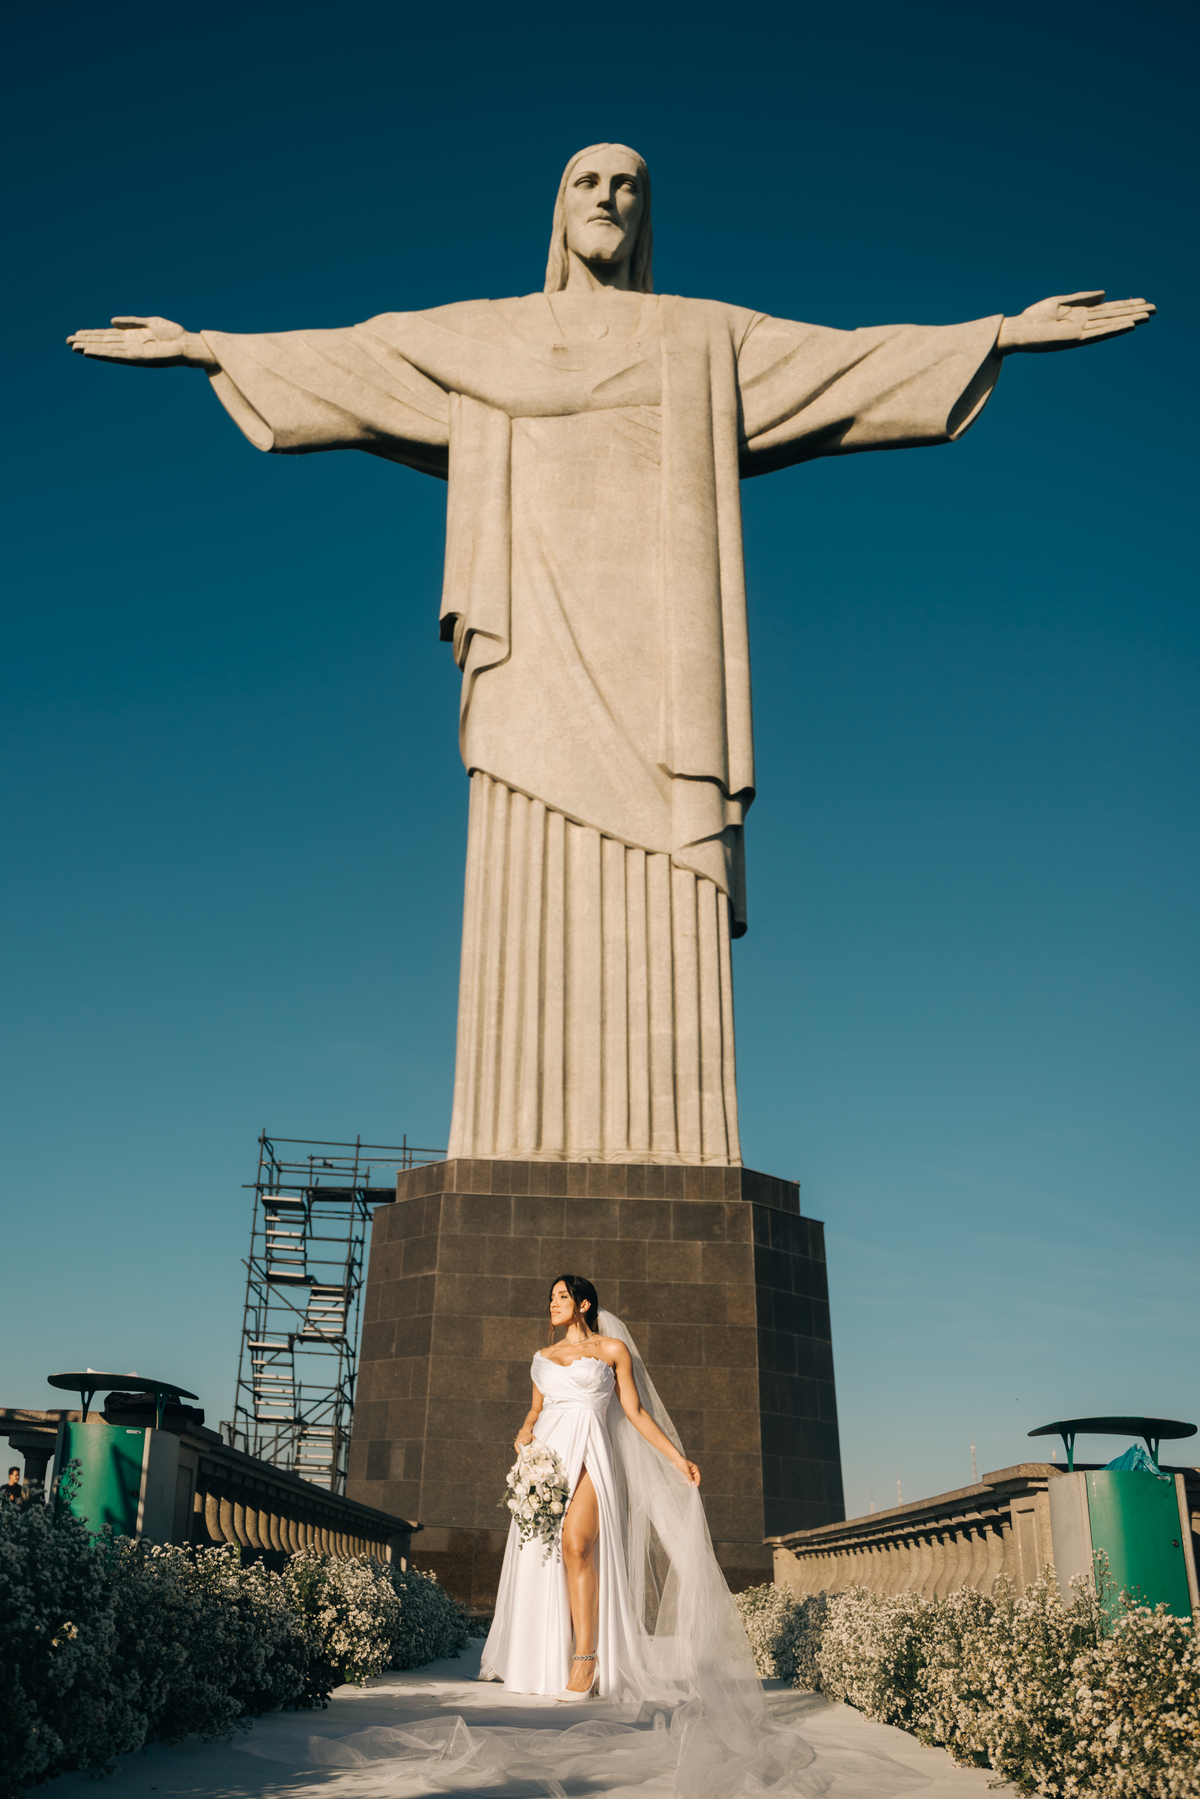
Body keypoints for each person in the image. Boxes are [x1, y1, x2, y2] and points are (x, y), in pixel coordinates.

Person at [64, 146, 1155, 1173]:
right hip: (532, 640)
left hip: (663, 659)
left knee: (665, 872)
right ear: (558, 207)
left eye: (629, 185)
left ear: (646, 215)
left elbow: (848, 358)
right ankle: (511, 1129)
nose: (607, 197)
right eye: (587, 180)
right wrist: (210, 346)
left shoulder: (701, 338)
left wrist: (1000, 333)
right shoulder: (485, 335)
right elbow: (360, 355)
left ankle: (677, 1138)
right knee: (523, 861)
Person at [480, 1274, 700, 1699]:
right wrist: (525, 1433)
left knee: (577, 1546)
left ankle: (586, 1659)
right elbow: (535, 1409)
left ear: (583, 1304)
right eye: (550, 1298)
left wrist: (677, 1459)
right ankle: (547, 1657)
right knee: (544, 1556)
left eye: (562, 1296)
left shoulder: (612, 1350)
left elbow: (634, 1412)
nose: (553, 1303)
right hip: (546, 1457)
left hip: (591, 1453)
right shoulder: (542, 1356)